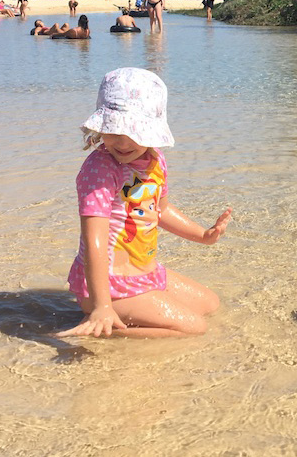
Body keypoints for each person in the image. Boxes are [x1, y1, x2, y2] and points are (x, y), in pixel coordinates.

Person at [56, 67, 232, 338]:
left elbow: (160, 210)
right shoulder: (100, 170)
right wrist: (102, 305)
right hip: (105, 286)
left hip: (143, 276)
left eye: (134, 131)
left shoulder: (155, 160)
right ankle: (99, 327)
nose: (124, 142)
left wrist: (204, 235)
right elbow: (95, 242)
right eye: (114, 130)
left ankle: (115, 317)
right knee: (194, 328)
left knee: (210, 305)